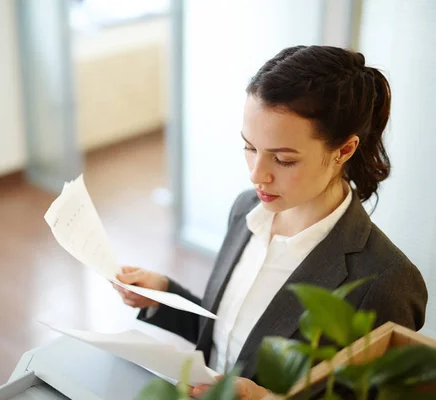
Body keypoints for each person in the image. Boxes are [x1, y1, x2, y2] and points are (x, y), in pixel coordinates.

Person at [113, 45, 428, 399]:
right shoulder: (246, 210)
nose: (256, 175)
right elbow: (231, 339)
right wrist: (163, 296)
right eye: (250, 147)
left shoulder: (386, 282)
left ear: (344, 150)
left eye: (282, 159)